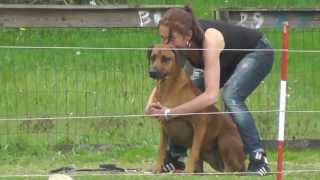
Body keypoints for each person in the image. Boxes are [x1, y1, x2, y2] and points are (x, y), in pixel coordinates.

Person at [145, 5, 274, 176]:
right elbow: (170, 78)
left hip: (256, 52)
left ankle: (259, 159)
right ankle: (177, 157)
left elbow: (211, 96)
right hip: (226, 59)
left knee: (231, 96)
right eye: (163, 38)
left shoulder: (209, 41)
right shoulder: (182, 46)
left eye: (170, 39)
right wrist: (149, 104)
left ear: (188, 36)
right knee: (191, 93)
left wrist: (170, 112)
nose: (166, 44)